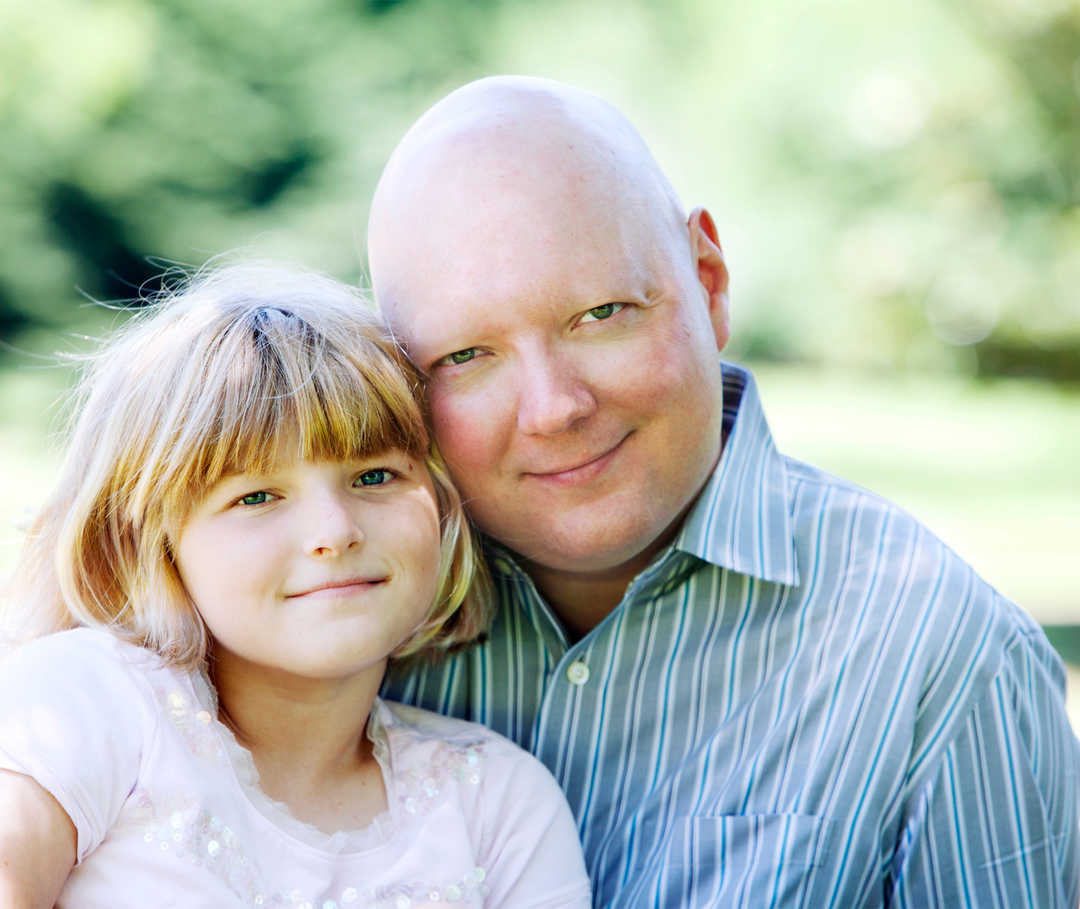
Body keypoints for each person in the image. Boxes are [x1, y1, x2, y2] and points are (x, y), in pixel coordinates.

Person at [368, 75, 1080, 907]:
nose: (554, 407)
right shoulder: (343, 632)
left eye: (601, 313)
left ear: (709, 283)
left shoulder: (941, 658)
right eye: (465, 356)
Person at [0, 263, 592, 908]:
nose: (335, 532)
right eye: (256, 496)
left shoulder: (496, 802)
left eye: (374, 477)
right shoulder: (88, 701)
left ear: (443, 507)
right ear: (149, 544)